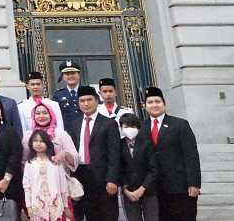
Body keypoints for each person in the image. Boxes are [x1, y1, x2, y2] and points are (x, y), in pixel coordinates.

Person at [142, 87, 200, 221]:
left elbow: (191, 155)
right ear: (145, 106)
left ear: (164, 103)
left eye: (157, 101)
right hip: (156, 189)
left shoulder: (180, 125)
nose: (154, 105)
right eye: (150, 102)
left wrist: (194, 183)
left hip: (180, 187)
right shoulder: (142, 127)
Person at [66, 86, 120, 221]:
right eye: (82, 101)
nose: (86, 103)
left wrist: (112, 179)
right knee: (90, 214)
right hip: (82, 175)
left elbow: (115, 154)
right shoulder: (74, 124)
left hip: (103, 177)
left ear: (97, 101)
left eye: (89, 100)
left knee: (108, 214)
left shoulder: (109, 124)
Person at [23, 130, 73, 221]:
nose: (38, 144)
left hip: (56, 205)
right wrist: (29, 207)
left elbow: (63, 186)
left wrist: (65, 206)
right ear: (31, 143)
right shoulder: (29, 164)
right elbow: (27, 187)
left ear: (47, 143)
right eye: (35, 141)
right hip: (38, 206)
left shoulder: (55, 162)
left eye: (42, 141)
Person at [118, 113, 159, 221]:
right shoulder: (118, 145)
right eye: (126, 127)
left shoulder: (147, 143)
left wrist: (142, 188)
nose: (130, 129)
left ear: (138, 128)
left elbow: (154, 169)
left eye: (133, 126)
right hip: (129, 192)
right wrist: (125, 189)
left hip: (148, 191)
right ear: (121, 128)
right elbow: (118, 170)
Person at [22, 103, 78, 173]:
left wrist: (65, 154)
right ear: (33, 116)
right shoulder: (27, 136)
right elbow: (23, 162)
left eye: (45, 113)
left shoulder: (61, 134)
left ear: (51, 115)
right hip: (36, 179)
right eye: (38, 113)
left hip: (60, 177)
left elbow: (75, 160)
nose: (41, 116)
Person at [52, 61, 83, 131]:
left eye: (73, 73)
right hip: (67, 133)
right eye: (67, 74)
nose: (70, 76)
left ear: (79, 75)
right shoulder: (57, 95)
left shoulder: (87, 91)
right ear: (62, 77)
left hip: (86, 131)